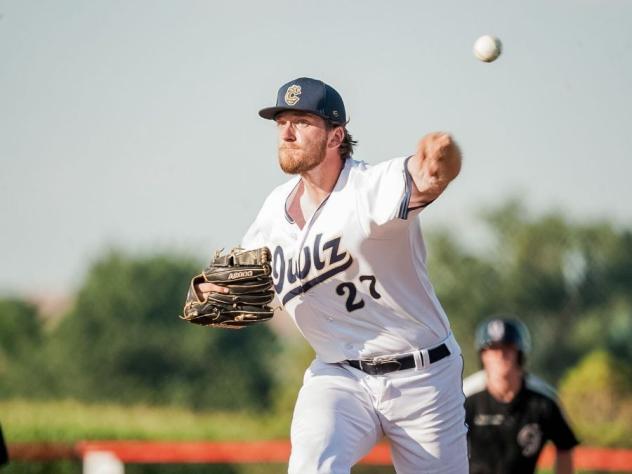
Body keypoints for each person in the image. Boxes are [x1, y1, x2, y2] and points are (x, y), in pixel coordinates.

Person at [199, 77, 465, 473]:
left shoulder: (367, 187)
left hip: (423, 379)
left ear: (335, 135)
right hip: (339, 377)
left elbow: (428, 177)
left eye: (302, 121)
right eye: (280, 121)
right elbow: (248, 285)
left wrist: (442, 156)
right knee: (311, 463)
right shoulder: (274, 210)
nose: (286, 132)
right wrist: (217, 288)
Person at [463, 317, 579, 474]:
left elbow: (565, 446)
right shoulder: (464, 397)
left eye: (507, 348)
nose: (500, 355)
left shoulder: (543, 401)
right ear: (482, 355)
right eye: (493, 348)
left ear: (520, 353)